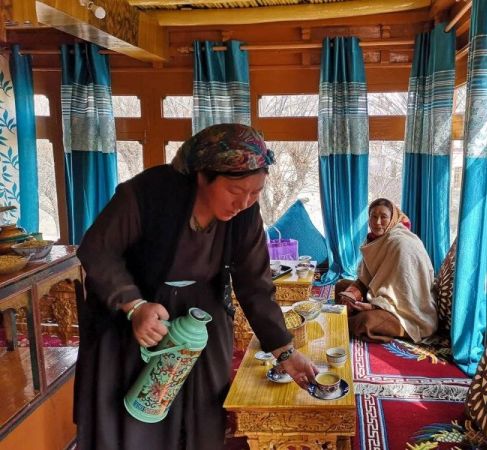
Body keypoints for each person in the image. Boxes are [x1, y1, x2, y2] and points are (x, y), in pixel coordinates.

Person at [74, 123, 318, 450]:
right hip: (143, 317)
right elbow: (97, 249)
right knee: (137, 418)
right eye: (235, 191)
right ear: (203, 176)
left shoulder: (246, 213)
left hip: (203, 317)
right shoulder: (147, 194)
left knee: (202, 417)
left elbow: (255, 284)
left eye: (255, 192)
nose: (244, 202)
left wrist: (285, 351)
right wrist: (133, 305)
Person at [335, 198, 437, 343]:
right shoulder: (374, 239)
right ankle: (349, 314)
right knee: (341, 286)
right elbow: (367, 279)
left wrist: (373, 306)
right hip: (381, 295)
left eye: (383, 217)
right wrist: (352, 293)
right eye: (373, 216)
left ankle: (339, 322)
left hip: (407, 312)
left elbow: (404, 294)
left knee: (365, 321)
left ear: (392, 219)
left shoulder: (402, 244)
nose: (377, 222)